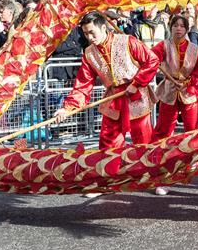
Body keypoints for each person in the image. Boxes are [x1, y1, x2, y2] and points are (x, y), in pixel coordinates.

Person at [55, 11, 159, 157]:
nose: (89, 38)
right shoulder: (89, 53)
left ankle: (147, 175)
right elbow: (83, 84)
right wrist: (67, 108)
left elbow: (152, 60)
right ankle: (110, 175)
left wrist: (137, 82)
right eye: (85, 34)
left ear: (104, 28)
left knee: (143, 141)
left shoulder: (127, 41)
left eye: (92, 32)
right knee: (108, 144)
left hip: (136, 94)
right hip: (113, 97)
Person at [152, 14, 198, 141]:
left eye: (182, 26)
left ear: (186, 29)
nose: (178, 29)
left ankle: (192, 158)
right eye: (175, 25)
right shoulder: (163, 45)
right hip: (169, 89)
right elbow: (151, 58)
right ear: (171, 28)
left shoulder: (194, 49)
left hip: (189, 91)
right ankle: (157, 156)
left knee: (192, 130)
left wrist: (187, 83)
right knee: (162, 129)